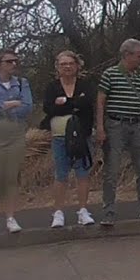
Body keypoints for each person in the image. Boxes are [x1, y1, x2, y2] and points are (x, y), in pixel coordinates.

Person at [95, 38, 140, 225]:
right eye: (138, 56)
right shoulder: (110, 74)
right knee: (112, 169)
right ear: (127, 55)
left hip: (138, 125)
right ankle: (108, 210)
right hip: (116, 125)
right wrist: (100, 127)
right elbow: (100, 101)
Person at [39, 51, 98, 228]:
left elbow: (86, 103)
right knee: (61, 174)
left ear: (77, 65)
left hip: (81, 135)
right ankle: (58, 212)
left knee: (82, 173)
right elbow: (49, 108)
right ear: (57, 67)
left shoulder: (85, 85)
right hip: (59, 136)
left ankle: (83, 210)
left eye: (70, 63)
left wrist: (65, 103)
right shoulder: (52, 87)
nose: (67, 67)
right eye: (63, 64)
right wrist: (73, 104)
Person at [0, 48, 33, 236]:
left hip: (15, 132)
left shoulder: (21, 83)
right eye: (9, 61)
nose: (13, 65)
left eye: (15, 61)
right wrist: (10, 104)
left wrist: (1, 106)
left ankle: (10, 217)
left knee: (11, 176)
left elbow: (27, 107)